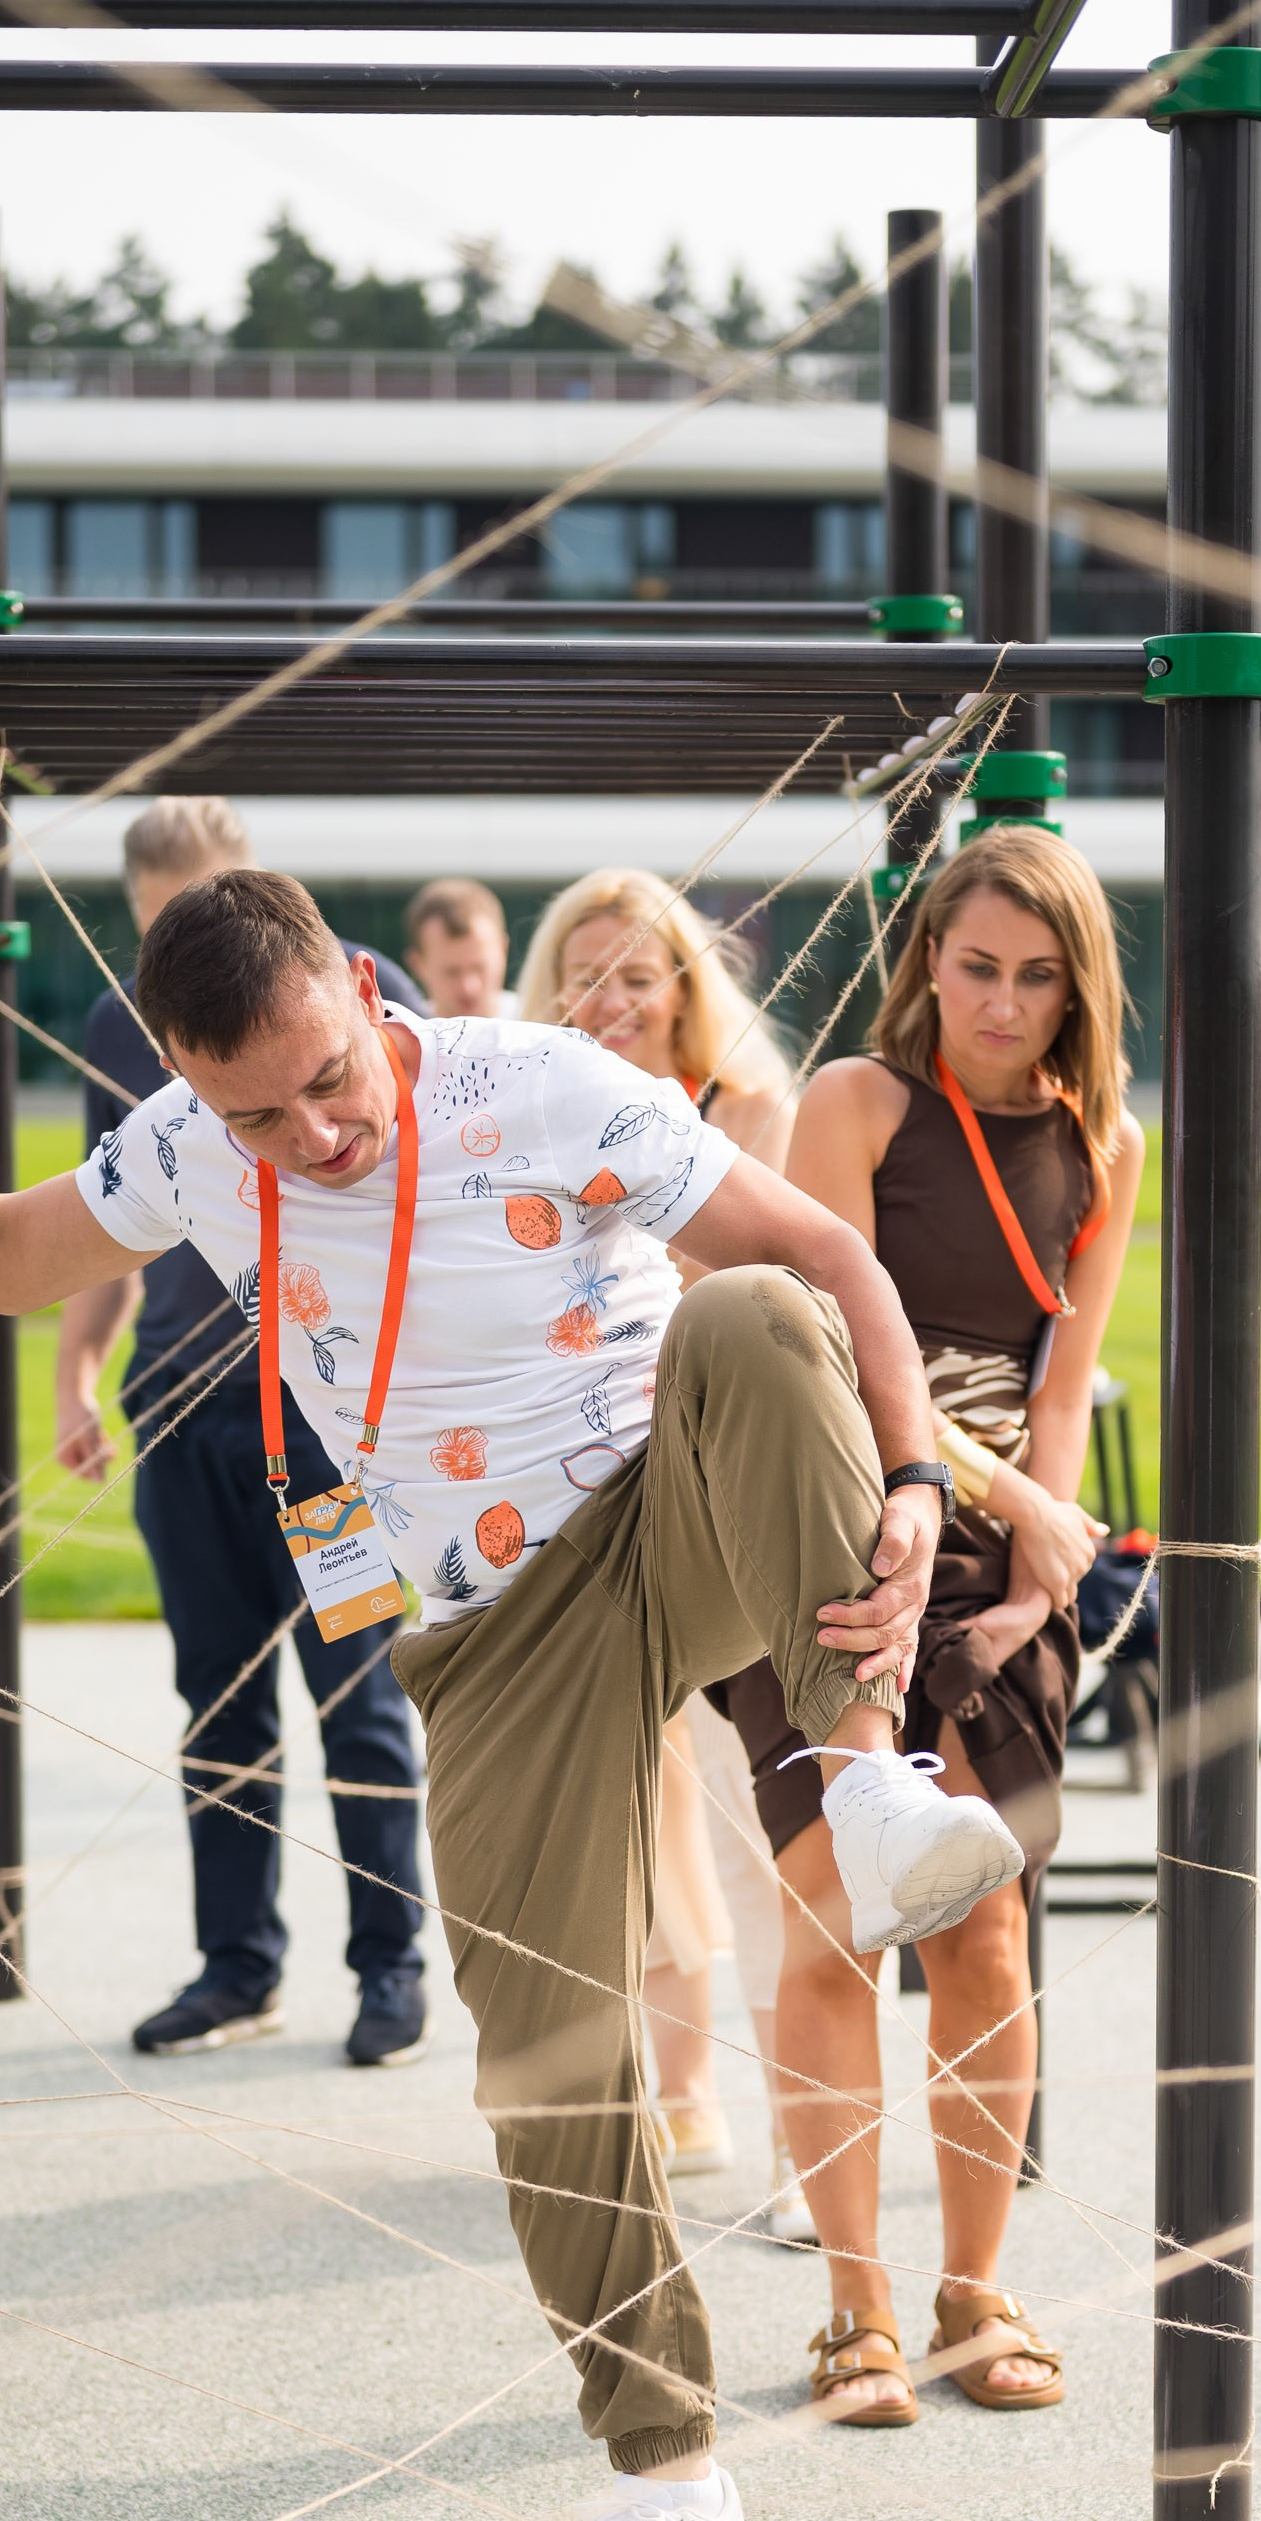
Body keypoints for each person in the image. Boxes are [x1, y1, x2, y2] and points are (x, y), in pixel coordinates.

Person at [0, 866, 1023, 2521]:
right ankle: (670, 2493)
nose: (311, 1133)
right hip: (491, 1624)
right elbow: (4, 1254)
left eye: (332, 1077)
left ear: (357, 988)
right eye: (257, 1109)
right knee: (545, 2064)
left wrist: (926, 1488)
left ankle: (866, 1789)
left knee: (747, 1314)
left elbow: (837, 1264)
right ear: (183, 1076)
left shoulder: (537, 1083)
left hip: (673, 1507)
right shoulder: (189, 1148)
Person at [710, 823, 1142, 2428]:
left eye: (1039, 976)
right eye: (978, 967)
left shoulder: (1106, 1143)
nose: (1005, 1002)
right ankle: (855, 2309)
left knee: (986, 1924)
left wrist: (1041, 1569)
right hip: (832, 1517)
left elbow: (1064, 1382)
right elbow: (833, 1354)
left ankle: (975, 2290)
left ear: (1079, 984)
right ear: (928, 964)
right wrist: (1010, 1507)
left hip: (1003, 1557)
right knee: (836, 1907)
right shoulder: (858, 1103)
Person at [54, 798, 432, 2068]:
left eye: (212, 908)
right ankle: (237, 1965)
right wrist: (77, 1376)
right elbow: (98, 1227)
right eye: (163, 928)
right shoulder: (120, 1028)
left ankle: (389, 1966)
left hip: (315, 1421)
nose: (194, 957)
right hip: (181, 1409)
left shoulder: (337, 1021)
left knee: (357, 1692)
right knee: (216, 1700)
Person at [516, 868, 804, 2225]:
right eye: (585, 969)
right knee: (622, 1813)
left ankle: (805, 2126)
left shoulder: (750, 1115)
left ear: (690, 988)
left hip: (725, 1505)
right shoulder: (527, 1124)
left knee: (762, 1825)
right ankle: (653, 2084)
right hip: (578, 1509)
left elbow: (780, 1301)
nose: (613, 996)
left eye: (640, 971)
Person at [403, 876, 518, 1019]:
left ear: (504, 950)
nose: (468, 988)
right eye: (452, 972)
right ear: (418, 965)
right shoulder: (401, 1032)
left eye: (479, 968)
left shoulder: (542, 1024)